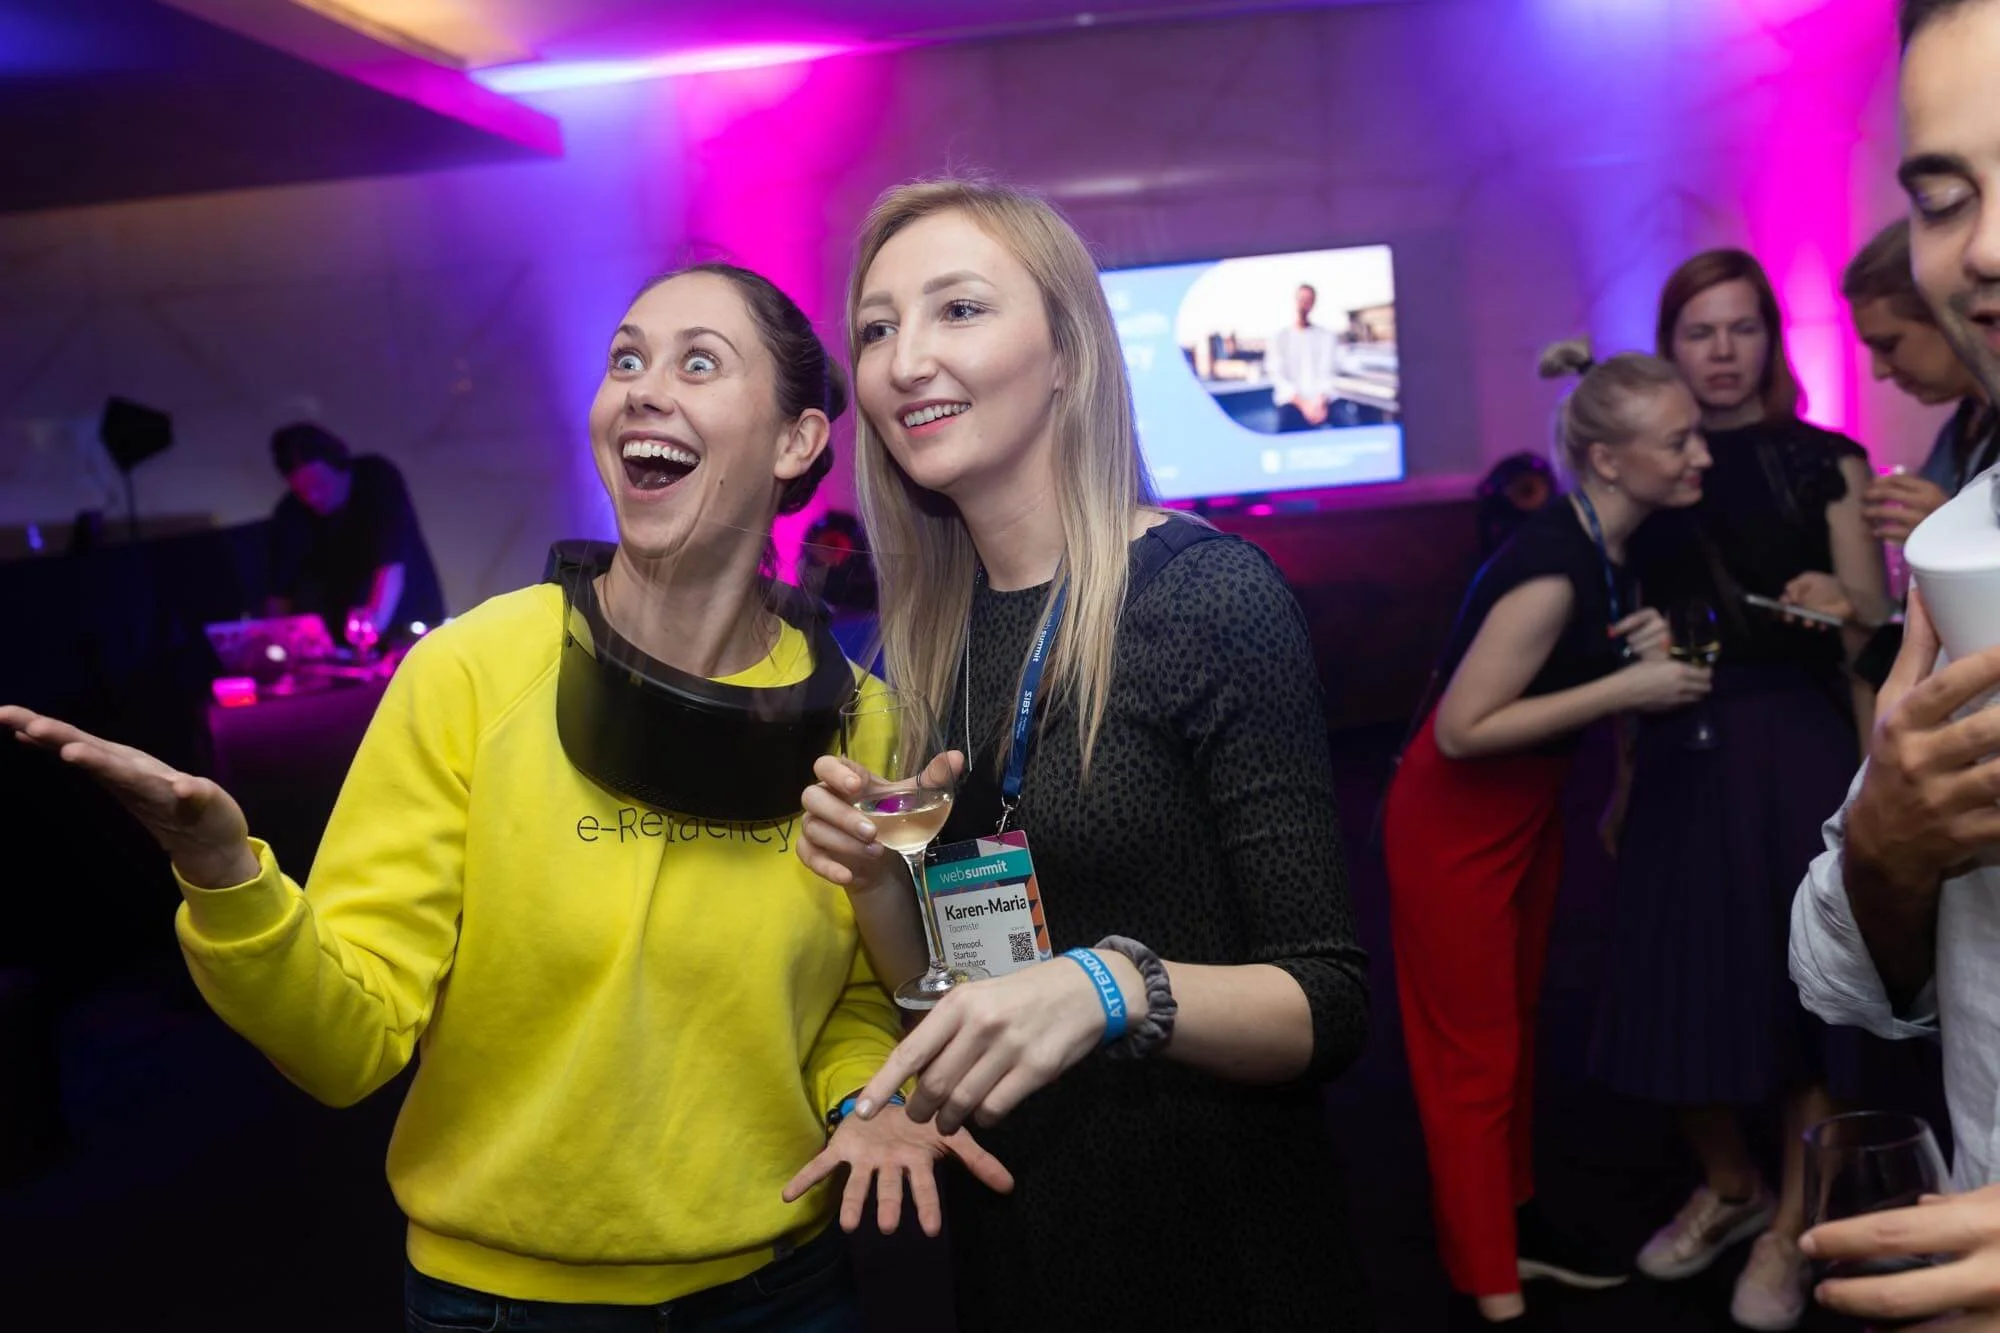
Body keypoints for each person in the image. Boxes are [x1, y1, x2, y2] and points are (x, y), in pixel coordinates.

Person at [2, 262, 1007, 1332]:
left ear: (796, 442)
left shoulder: (863, 722)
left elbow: (849, 1000)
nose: (641, 388)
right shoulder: (474, 675)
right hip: (508, 1307)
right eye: (625, 360)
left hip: (787, 1291)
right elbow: (346, 1048)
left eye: (696, 362)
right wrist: (224, 877)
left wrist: (871, 1098)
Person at [788, 178, 1374, 1330]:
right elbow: (945, 999)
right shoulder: (914, 650)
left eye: (957, 310)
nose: (906, 359)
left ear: (1065, 352)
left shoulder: (1206, 598)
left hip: (1220, 1244)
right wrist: (872, 883)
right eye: (876, 326)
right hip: (1022, 1235)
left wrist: (1114, 987)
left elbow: (1328, 1003)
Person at [1590, 248, 1890, 1332]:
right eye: (1698, 333)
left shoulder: (1826, 459)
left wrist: (1840, 603)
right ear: (1668, 347)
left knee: (1803, 995)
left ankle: (1786, 1235)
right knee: (1675, 985)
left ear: (1771, 341)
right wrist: (1622, 776)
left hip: (1793, 743)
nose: (1721, 354)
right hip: (1678, 743)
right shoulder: (1644, 469)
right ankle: (1730, 1187)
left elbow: (1872, 621)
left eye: (1741, 330)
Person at [1385, 341, 1713, 1326]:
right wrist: (1629, 685)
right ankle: (1489, 1289)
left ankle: (1509, 1228)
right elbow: (1460, 728)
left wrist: (1634, 646)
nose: (1700, 454)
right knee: (1471, 1058)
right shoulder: (1554, 565)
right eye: (1680, 439)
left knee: (1512, 1039)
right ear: (1609, 461)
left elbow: (1558, 671)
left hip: (1520, 816)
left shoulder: (1599, 549)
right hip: (1455, 826)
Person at [1790, 1, 2000, 1325]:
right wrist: (1891, 840)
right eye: (1944, 195)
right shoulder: (1970, 548)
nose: (1983, 249)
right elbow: (1830, 965)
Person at [1842, 216, 1996, 546]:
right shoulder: (1961, 427)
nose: (1879, 372)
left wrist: (1957, 538)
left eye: (1888, 346)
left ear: (1945, 317)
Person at [265, 422, 446, 649]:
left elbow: (391, 566)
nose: (312, 497)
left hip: (408, 622)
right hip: (342, 638)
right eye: (302, 491)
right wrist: (279, 644)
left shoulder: (377, 478)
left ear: (340, 466)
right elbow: (280, 592)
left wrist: (369, 633)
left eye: (319, 485)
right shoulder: (290, 511)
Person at [1269, 282, 1345, 431]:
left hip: (1322, 400)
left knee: (1348, 424)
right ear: (1294, 300)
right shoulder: (1279, 337)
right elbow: (1278, 377)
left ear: (1313, 304)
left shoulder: (1326, 336)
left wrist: (1320, 402)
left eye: (1308, 300)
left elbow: (1328, 373)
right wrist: (1305, 405)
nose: (1304, 304)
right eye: (1301, 299)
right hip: (1293, 401)